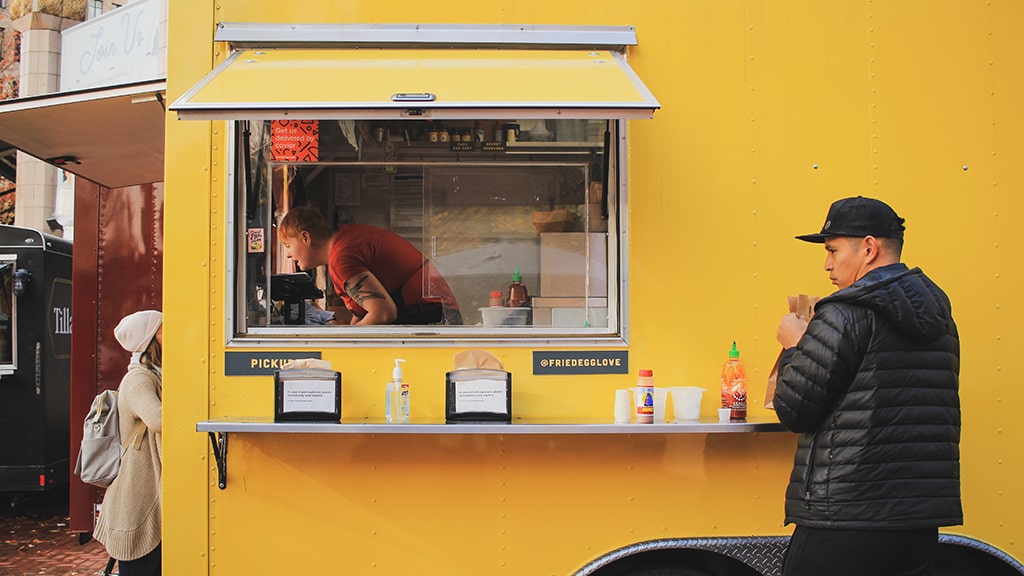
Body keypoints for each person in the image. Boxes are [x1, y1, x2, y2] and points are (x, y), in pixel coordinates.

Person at [773, 197, 961, 576]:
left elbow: (794, 410)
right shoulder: (939, 314)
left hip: (844, 516)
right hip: (918, 522)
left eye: (832, 250)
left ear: (869, 248)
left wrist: (796, 346)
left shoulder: (844, 313)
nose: (826, 263)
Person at [277, 206, 462, 325]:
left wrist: (347, 341)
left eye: (288, 245)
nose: (289, 254)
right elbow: (364, 312)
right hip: (439, 315)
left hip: (434, 319)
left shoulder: (342, 258)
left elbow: (383, 313)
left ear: (305, 238)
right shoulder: (347, 238)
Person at [93, 310, 164, 576]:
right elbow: (158, 419)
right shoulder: (138, 378)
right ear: (150, 340)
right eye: (162, 329)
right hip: (138, 495)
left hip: (148, 491)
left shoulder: (157, 375)